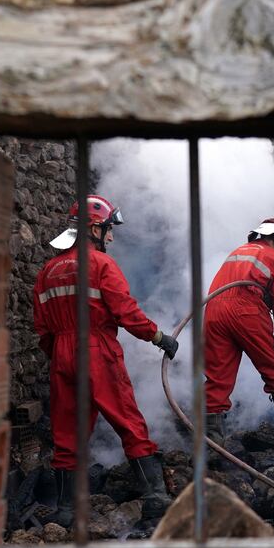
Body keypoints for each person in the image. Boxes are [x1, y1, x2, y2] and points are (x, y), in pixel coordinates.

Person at [33, 195, 179, 527]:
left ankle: (66, 511)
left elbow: (41, 328)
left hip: (61, 354)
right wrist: (159, 338)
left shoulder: (47, 271)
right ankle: (155, 497)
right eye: (109, 230)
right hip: (97, 349)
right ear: (94, 228)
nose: (111, 237)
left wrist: (59, 355)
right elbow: (126, 313)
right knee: (128, 421)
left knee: (67, 434)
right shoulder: (101, 265)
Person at [204, 216, 274, 443]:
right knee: (270, 367)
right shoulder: (273, 257)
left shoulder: (239, 250)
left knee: (218, 377)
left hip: (213, 311)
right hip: (246, 310)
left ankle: (212, 442)